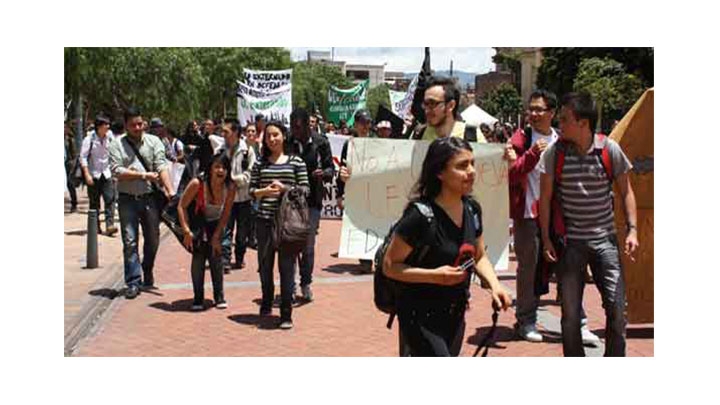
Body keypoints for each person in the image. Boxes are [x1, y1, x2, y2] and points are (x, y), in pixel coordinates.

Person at [382, 137, 512, 356]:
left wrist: (495, 285)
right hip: (418, 314)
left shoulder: (472, 209)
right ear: (439, 173)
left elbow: (478, 256)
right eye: (462, 166)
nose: (471, 171)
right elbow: (390, 266)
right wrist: (435, 276)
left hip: (455, 313)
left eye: (472, 163)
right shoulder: (420, 216)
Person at [539, 92, 639, 357]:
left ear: (583, 123)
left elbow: (627, 191)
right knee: (570, 314)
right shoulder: (554, 153)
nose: (559, 124)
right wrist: (547, 239)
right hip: (570, 243)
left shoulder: (609, 150)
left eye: (564, 119)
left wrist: (632, 230)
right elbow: (545, 199)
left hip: (606, 241)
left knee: (617, 309)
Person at [508, 90, 597, 345]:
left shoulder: (563, 140)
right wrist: (531, 154)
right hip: (528, 216)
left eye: (539, 109)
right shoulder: (521, 139)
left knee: (570, 269)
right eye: (531, 109)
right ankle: (526, 320)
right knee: (529, 270)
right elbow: (511, 174)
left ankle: (578, 323)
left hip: (561, 217)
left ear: (552, 113)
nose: (534, 114)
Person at [249, 121, 310, 329]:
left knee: (287, 267)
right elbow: (251, 191)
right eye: (268, 136)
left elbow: (305, 190)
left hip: (288, 223)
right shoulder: (260, 164)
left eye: (275, 135)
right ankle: (266, 300)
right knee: (265, 267)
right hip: (264, 222)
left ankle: (286, 312)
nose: (272, 139)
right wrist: (264, 192)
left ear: (284, 136)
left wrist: (285, 189)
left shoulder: (297, 162)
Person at [108, 106, 174, 299]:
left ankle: (148, 267)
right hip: (127, 199)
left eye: (140, 124)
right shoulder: (116, 145)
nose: (137, 128)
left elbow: (161, 165)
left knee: (153, 239)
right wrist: (143, 175)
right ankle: (133, 281)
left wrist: (170, 191)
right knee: (130, 241)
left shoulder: (154, 142)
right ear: (126, 126)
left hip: (150, 199)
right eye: (133, 125)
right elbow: (117, 170)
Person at [178, 153, 236, 310]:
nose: (220, 170)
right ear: (210, 168)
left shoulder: (230, 187)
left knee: (217, 257)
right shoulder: (198, 183)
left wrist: (217, 235)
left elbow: (226, 213)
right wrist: (186, 231)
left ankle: (219, 296)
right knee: (198, 258)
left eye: (224, 167)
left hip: (216, 224)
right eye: (217, 166)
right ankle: (198, 298)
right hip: (198, 223)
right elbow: (181, 206)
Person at [288, 108, 335, 301]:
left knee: (307, 245)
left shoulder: (321, 142)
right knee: (289, 244)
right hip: (289, 202)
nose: (295, 131)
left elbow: (331, 169)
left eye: (298, 127)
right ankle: (288, 285)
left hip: (312, 201)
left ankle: (305, 282)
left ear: (308, 125)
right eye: (293, 127)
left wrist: (323, 173)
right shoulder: (287, 142)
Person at [336, 109, 375, 272]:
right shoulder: (349, 144)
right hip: (355, 191)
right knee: (359, 224)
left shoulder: (376, 143)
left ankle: (373, 256)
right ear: (356, 125)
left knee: (374, 224)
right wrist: (340, 194)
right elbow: (343, 169)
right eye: (362, 123)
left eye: (368, 123)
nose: (365, 126)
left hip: (373, 191)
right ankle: (364, 260)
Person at [221, 119, 256, 271]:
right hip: (226, 198)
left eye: (226, 132)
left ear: (235, 133)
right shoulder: (221, 150)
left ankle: (239, 257)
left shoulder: (248, 150)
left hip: (244, 198)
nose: (223, 135)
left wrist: (236, 181)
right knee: (225, 230)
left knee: (242, 233)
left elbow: (251, 172)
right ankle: (225, 259)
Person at [79, 114, 118, 236]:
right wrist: (87, 175)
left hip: (107, 174)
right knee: (94, 202)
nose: (108, 126)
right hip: (93, 174)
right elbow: (83, 157)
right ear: (98, 127)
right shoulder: (89, 139)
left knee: (110, 199)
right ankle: (95, 227)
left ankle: (109, 225)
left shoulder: (110, 137)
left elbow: (114, 153)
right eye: (105, 124)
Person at [417, 76, 486, 143]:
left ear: (451, 105)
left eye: (432, 104)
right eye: (425, 104)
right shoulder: (420, 135)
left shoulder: (471, 135)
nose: (427, 110)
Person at [64, 121, 79, 213]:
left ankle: (74, 203)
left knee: (70, 184)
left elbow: (74, 154)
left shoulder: (70, 140)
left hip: (67, 164)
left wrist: (72, 165)